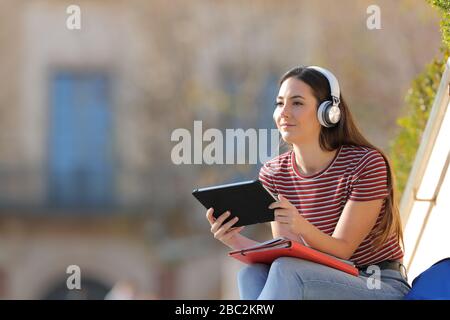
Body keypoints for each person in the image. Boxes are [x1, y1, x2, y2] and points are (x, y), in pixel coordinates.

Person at [205, 65, 412, 300]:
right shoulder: (274, 174)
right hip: (316, 277)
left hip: (377, 284)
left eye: (297, 103)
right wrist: (233, 239)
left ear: (328, 112)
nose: (284, 112)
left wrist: (299, 224)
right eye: (280, 103)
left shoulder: (365, 164)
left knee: (287, 270)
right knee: (250, 274)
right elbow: (288, 251)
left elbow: (343, 250)